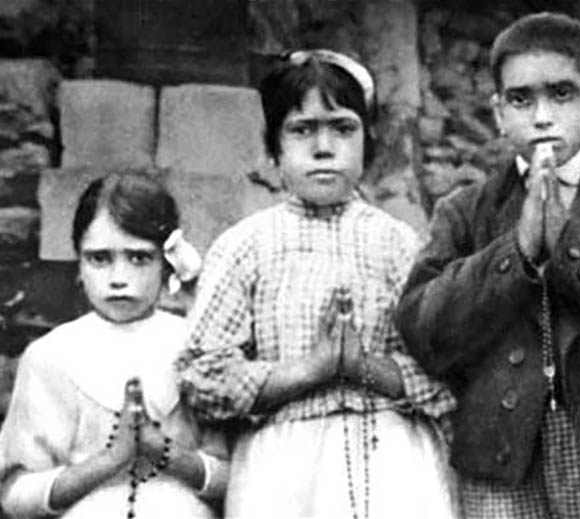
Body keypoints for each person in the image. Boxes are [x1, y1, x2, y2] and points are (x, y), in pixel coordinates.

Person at [396, 11, 580, 519]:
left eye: (563, 94)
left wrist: (569, 242)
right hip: (502, 465)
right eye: (521, 99)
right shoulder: (464, 213)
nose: (542, 116)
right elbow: (426, 332)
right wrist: (519, 249)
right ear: (499, 113)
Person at [176, 49, 459, 518]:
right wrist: (312, 368)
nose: (323, 148)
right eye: (302, 129)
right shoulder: (245, 246)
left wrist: (364, 366)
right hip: (282, 466)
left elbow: (445, 367)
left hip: (393, 458)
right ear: (273, 149)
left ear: (368, 142)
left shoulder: (401, 245)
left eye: (342, 128)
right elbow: (203, 376)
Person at [0, 171, 229, 519]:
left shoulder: (199, 346)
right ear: (79, 262)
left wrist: (163, 452)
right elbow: (15, 494)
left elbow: (238, 476)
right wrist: (110, 460)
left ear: (166, 262)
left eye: (138, 258)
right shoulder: (50, 355)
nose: (119, 278)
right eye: (100, 258)